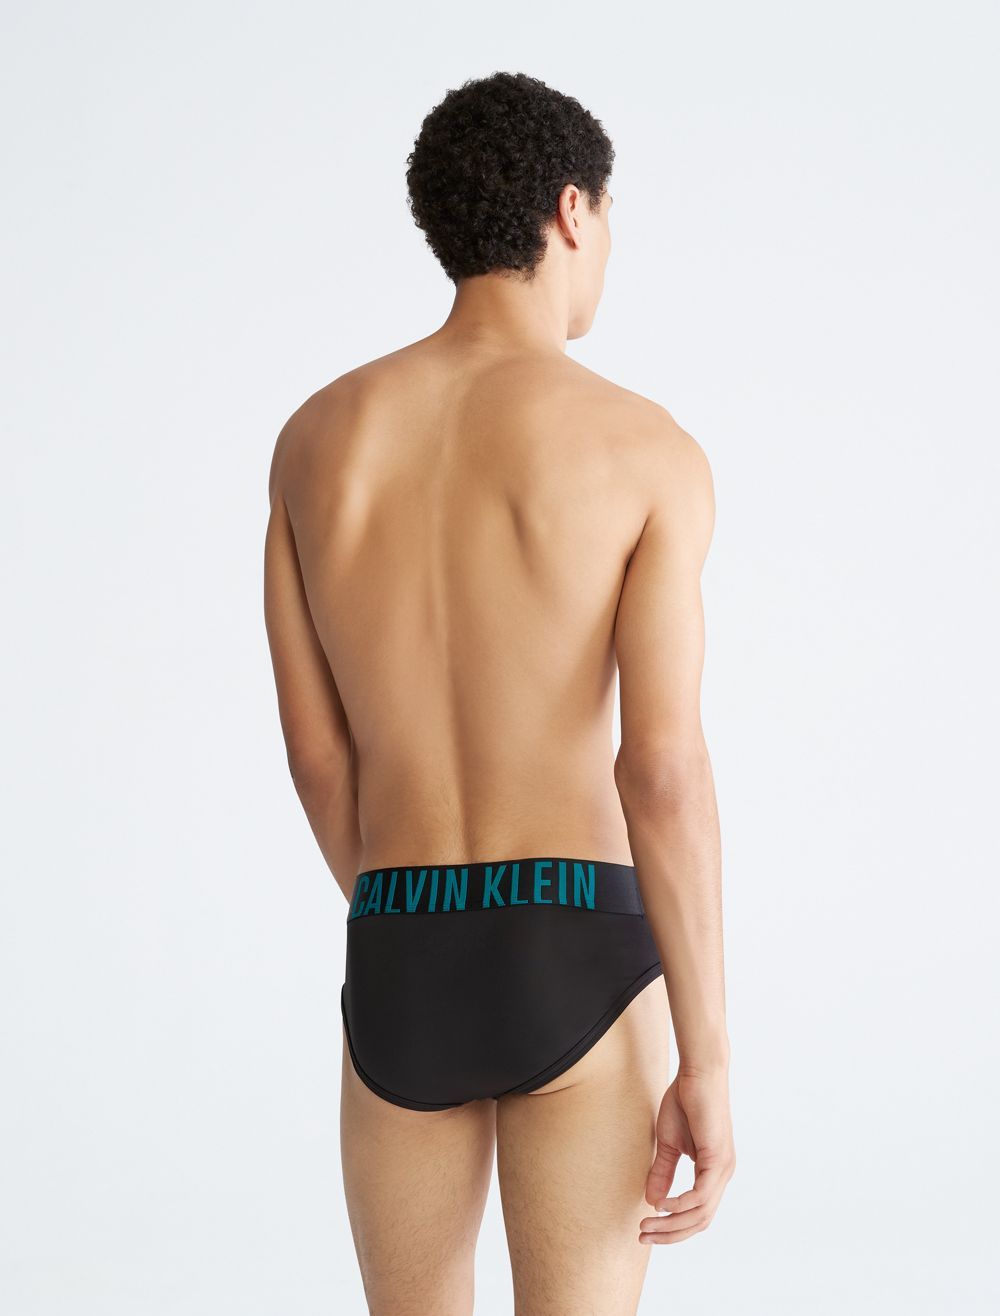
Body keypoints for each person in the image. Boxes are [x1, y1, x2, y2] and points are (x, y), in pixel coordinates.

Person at [263, 70, 734, 1316]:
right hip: (572, 942)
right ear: (572, 210)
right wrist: (708, 1057)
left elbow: (317, 755)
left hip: (399, 937)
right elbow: (661, 769)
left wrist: (414, 922)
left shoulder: (317, 440)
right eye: (609, 218)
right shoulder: (644, 447)